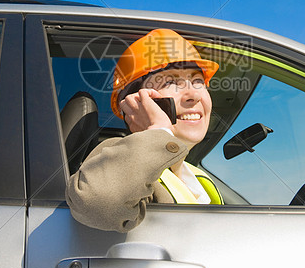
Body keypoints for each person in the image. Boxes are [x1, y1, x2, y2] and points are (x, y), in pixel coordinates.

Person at [66, 28, 224, 232]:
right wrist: (158, 132)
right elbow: (95, 205)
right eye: (170, 82)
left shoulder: (197, 177)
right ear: (136, 103)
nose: (193, 94)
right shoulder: (117, 159)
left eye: (198, 81)